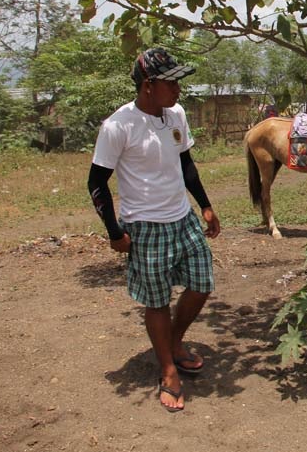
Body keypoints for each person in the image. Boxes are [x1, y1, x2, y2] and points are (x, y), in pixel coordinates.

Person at [87, 47, 221, 412]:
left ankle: (172, 341)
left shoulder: (175, 114)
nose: (179, 90)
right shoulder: (118, 126)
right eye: (172, 82)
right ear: (149, 85)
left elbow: (186, 163)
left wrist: (205, 205)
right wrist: (115, 232)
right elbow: (97, 182)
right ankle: (167, 369)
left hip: (182, 218)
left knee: (201, 282)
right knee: (157, 300)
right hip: (145, 226)